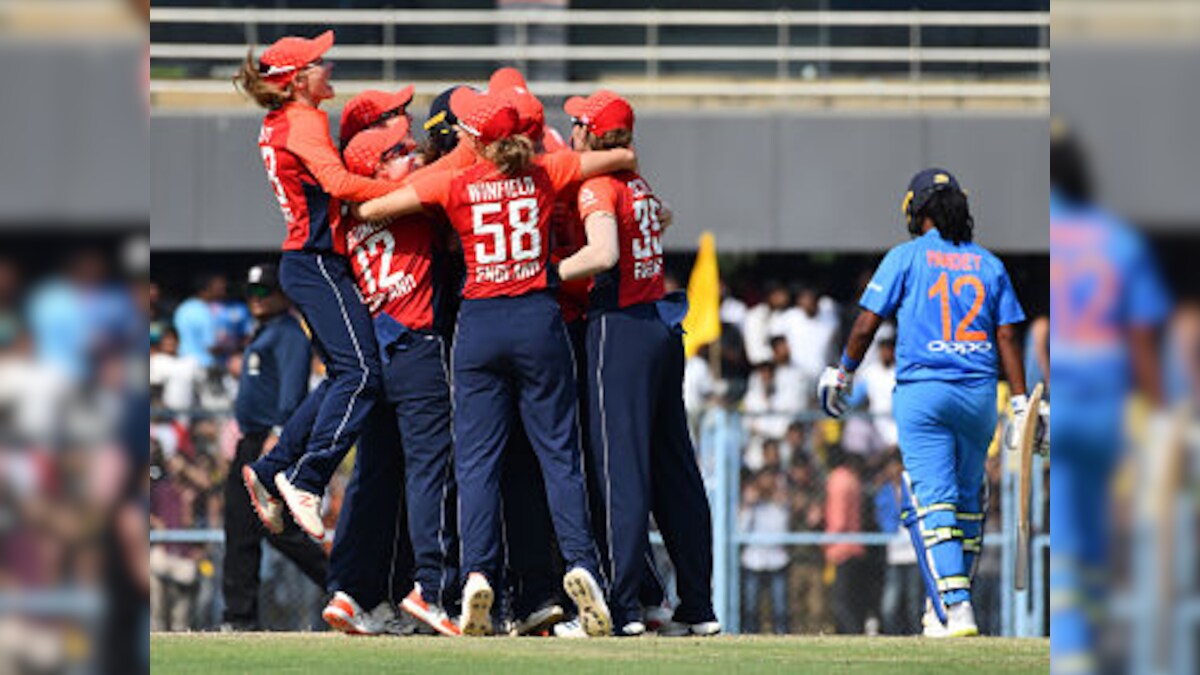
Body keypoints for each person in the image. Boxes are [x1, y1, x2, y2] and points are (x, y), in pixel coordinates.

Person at [356, 87, 638, 637]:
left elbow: (372, 207)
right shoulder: (544, 171)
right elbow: (620, 157)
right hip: (538, 319)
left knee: (477, 462)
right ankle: (581, 564)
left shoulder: (453, 180)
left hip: (479, 325)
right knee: (559, 456)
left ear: (475, 139)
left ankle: (477, 573)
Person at [818, 167, 1040, 638]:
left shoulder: (905, 256)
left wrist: (842, 373)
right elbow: (1006, 336)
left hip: (924, 393)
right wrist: (1021, 402)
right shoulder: (988, 263)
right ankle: (940, 610)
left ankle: (955, 609)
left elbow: (864, 325)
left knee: (932, 502)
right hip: (980, 393)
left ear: (915, 212)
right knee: (966, 502)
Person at [553, 90, 719, 637]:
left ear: (587, 133)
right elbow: (661, 216)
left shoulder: (600, 184)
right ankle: (697, 605)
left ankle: (622, 607)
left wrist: (540, 273)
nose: (570, 131)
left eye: (575, 124)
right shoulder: (636, 183)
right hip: (660, 325)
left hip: (619, 327)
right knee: (675, 470)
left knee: (617, 470)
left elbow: (602, 254)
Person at [234, 30, 399, 538]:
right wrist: (408, 190)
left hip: (309, 260)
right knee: (363, 374)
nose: (329, 67)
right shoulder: (303, 119)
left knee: (342, 375)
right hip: (316, 261)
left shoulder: (281, 118)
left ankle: (270, 469)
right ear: (297, 79)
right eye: (319, 62)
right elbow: (339, 184)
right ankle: (305, 478)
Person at [320, 119, 460, 637]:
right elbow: (455, 172)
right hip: (416, 348)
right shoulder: (406, 199)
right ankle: (430, 587)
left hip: (376, 351)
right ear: (375, 169)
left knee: (374, 478)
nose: (413, 154)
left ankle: (351, 591)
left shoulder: (349, 215)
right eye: (399, 150)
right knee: (429, 473)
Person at [1049, 121, 1168, 672]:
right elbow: (1141, 334)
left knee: (1071, 532)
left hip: (1067, 398)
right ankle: (1098, 644)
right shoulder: (1117, 238)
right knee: (1109, 531)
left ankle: (1073, 647)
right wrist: (1160, 410)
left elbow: (1043, 331)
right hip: (1109, 401)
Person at [221, 264, 328, 631]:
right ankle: (238, 617)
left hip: (270, 441)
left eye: (264, 292)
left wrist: (281, 433)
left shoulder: (289, 334)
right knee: (239, 528)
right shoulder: (264, 332)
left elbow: (294, 389)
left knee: (280, 532)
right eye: (251, 292)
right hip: (250, 440)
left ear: (283, 295)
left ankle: (344, 587)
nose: (256, 299)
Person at [739, 471, 790, 634]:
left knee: (780, 609)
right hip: (754, 561)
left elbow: (782, 530)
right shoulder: (751, 505)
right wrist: (748, 506)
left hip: (777, 561)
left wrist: (780, 504)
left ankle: (782, 637)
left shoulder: (780, 505)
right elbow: (741, 530)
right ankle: (750, 636)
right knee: (751, 608)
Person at [172, 274, 225, 370]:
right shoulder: (205, 311)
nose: (223, 290)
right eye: (218, 287)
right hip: (202, 366)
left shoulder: (183, 307)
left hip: (181, 362)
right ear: (206, 289)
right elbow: (211, 345)